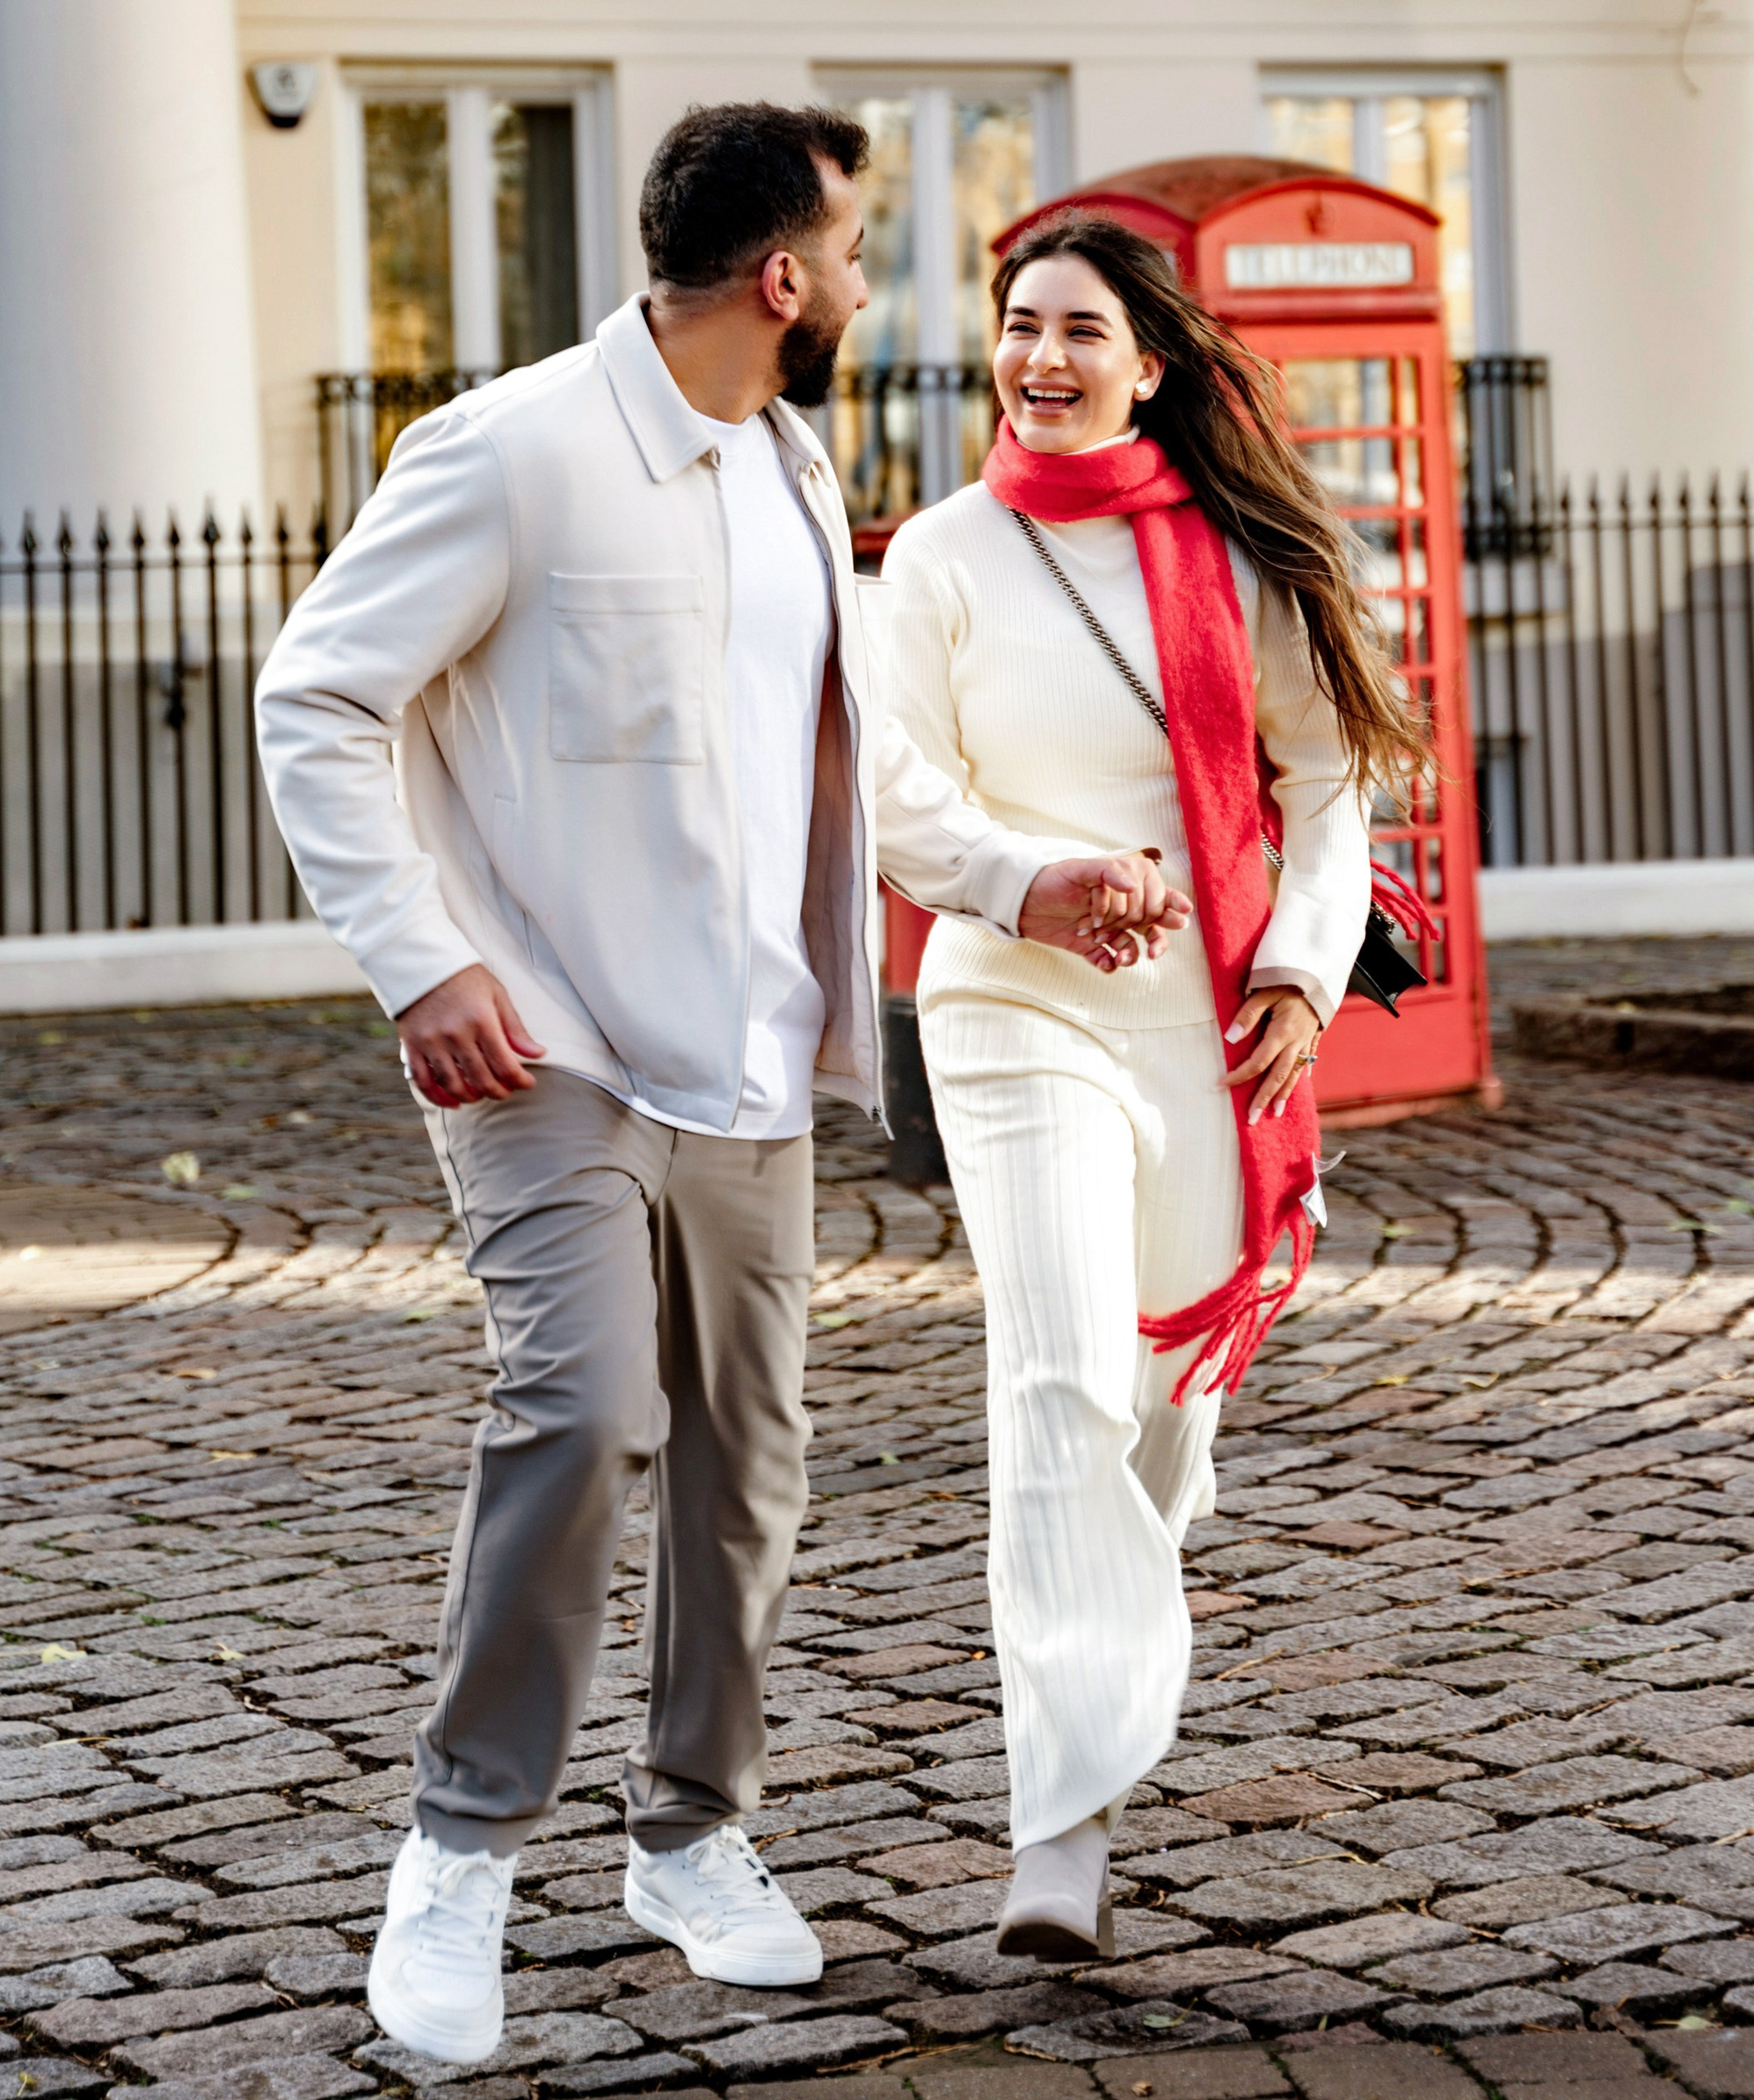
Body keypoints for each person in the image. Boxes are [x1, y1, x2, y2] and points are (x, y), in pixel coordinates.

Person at [255, 105, 1175, 2074]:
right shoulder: (510, 448)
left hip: (750, 1054)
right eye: (851, 250)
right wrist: (422, 959)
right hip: (544, 1047)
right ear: (780, 278)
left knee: (747, 1470)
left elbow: (854, 777)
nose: (863, 282)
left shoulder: (783, 460)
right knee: (580, 1414)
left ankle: (687, 1831)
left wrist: (1023, 880)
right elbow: (317, 694)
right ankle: (461, 1842)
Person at [877, 208, 1413, 1961]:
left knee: (1158, 1405)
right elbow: (898, 793)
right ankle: (1063, 1817)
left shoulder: (1236, 561)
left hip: (1204, 1017)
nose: (1037, 355)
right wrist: (1029, 880)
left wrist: (1296, 972)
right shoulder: (939, 556)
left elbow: (1325, 789)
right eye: (1016, 324)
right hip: (1011, 1000)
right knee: (1048, 1382)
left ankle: (1122, 1618)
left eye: (1076, 329)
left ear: (1149, 362)